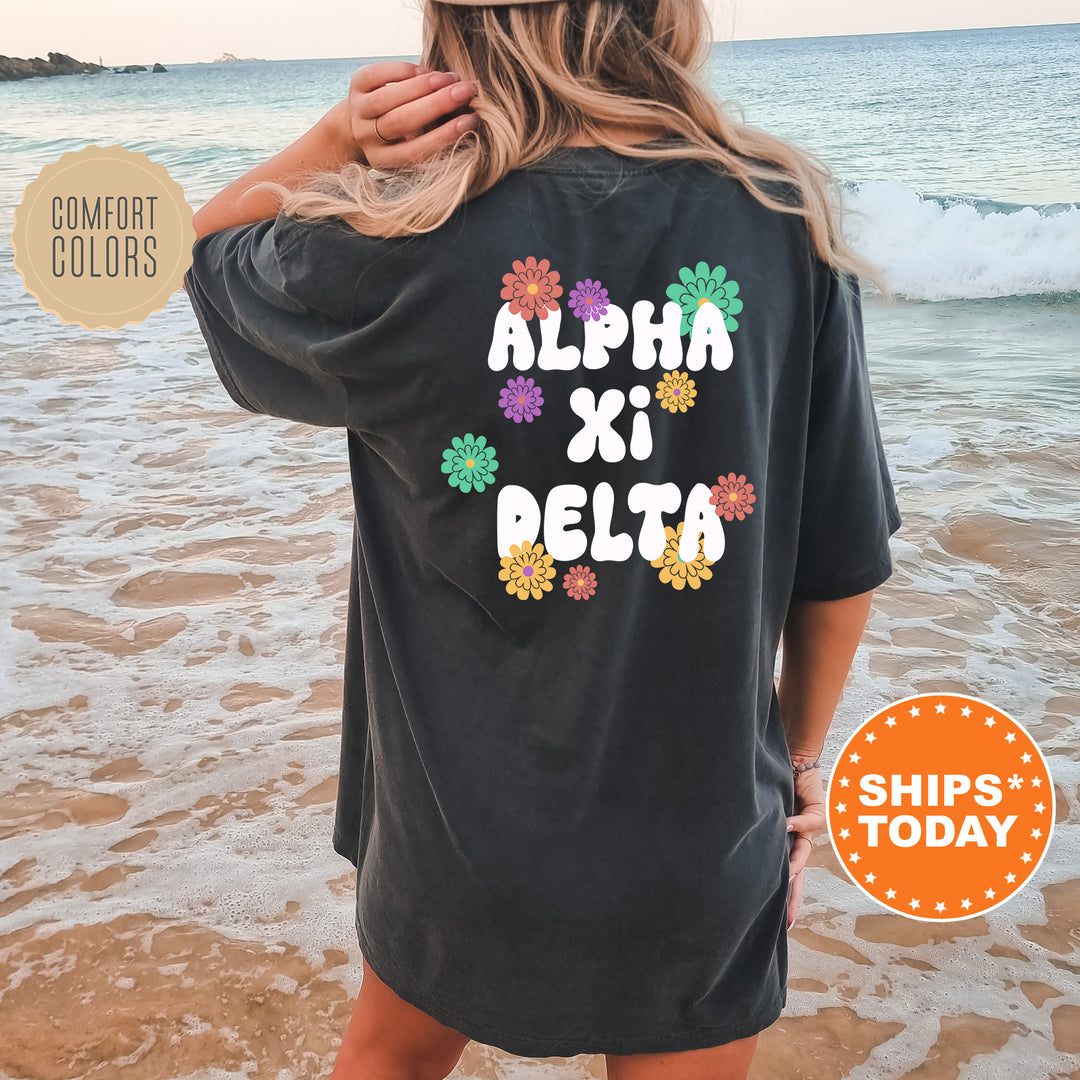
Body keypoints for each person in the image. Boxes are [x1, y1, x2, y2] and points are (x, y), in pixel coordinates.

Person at [182, 0, 903, 1076]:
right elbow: (841, 560)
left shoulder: (396, 237)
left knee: (388, 1058)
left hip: (456, 836)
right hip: (698, 832)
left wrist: (339, 142)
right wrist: (800, 764)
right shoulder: (779, 219)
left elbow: (204, 253)